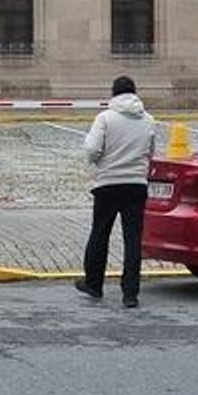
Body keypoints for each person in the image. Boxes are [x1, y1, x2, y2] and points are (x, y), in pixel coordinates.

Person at [76, 76, 158, 309]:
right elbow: (151, 152)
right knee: (133, 240)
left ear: (113, 93)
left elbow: (92, 150)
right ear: (134, 93)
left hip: (108, 184)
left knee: (100, 233)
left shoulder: (105, 118)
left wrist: (98, 160)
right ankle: (130, 293)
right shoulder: (148, 120)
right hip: (136, 185)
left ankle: (94, 284)